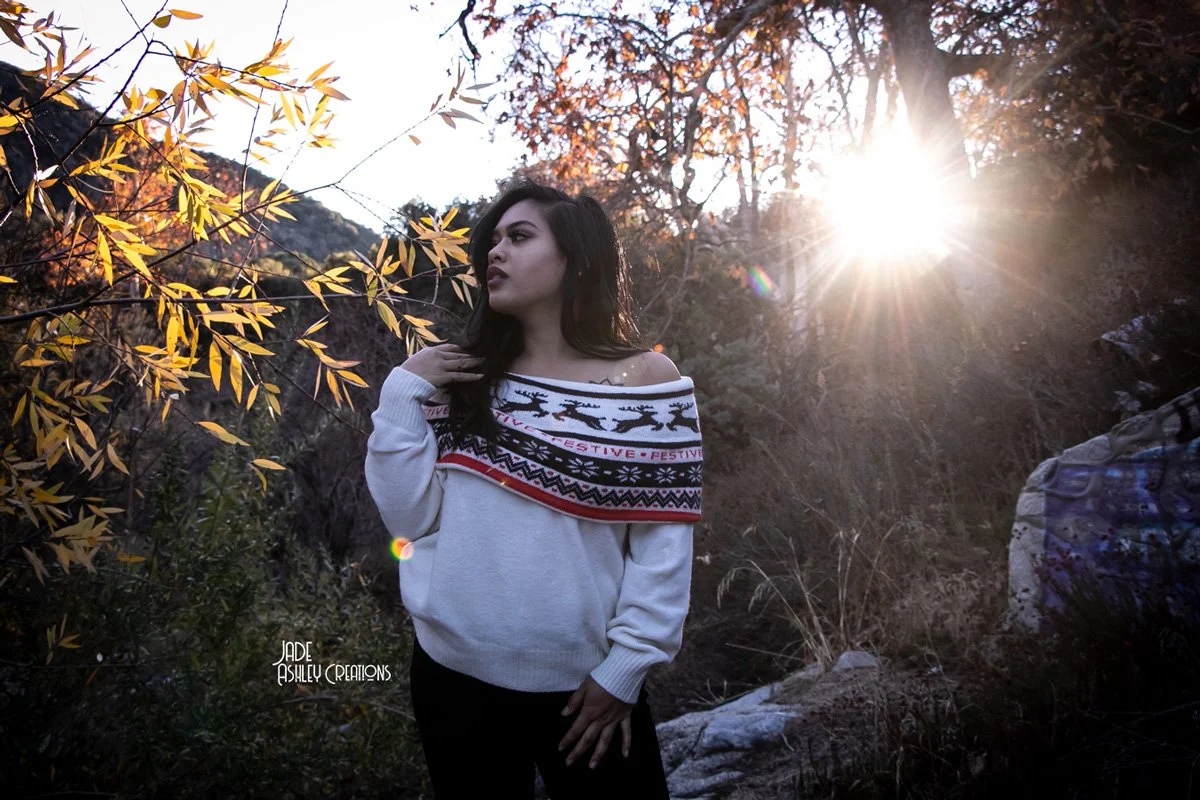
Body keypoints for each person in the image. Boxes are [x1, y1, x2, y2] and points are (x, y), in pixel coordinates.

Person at [364, 180, 704, 799]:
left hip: (589, 690)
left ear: (577, 258)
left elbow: (662, 544)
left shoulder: (646, 380)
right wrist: (402, 390)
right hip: (451, 676)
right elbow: (410, 519)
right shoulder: (461, 378)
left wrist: (626, 669)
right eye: (493, 241)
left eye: (519, 237)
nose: (496, 252)